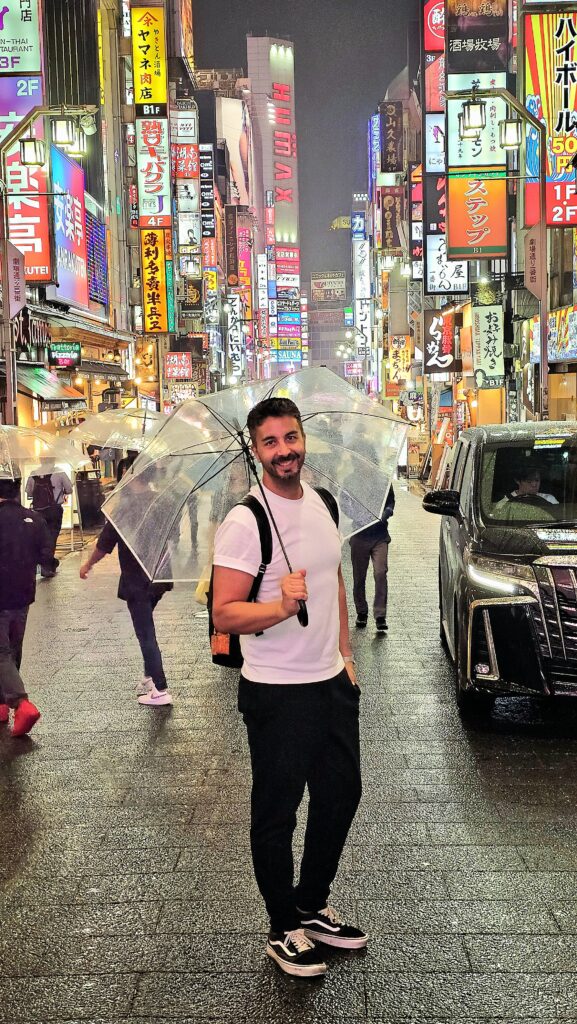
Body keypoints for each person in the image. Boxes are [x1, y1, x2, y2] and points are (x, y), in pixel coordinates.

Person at [212, 397, 366, 980]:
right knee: (277, 813)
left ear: (304, 439)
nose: (285, 450)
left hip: (330, 683)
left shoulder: (322, 502)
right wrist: (279, 606)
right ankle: (282, 927)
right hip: (277, 691)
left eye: (291, 437)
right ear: (257, 451)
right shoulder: (245, 521)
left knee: (341, 795)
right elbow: (225, 612)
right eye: (271, 442)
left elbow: (335, 581)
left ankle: (310, 904)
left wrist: (346, 654)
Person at [79, 468, 173, 706]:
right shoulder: (162, 501)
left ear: (131, 479)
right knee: (146, 625)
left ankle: (160, 689)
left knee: (145, 633)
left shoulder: (124, 507)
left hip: (137, 578)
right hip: (159, 576)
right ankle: (149, 676)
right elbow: (175, 535)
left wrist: (88, 564)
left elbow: (104, 544)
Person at [0, 477, 49, 737]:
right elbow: (47, 557)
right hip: (23, 595)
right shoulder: (35, 519)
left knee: (1, 653)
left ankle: (20, 703)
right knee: (13, 649)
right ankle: (2, 704)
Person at [349, 484, 395, 633]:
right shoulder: (352, 480)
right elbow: (344, 502)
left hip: (380, 535)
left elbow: (391, 502)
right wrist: (357, 515)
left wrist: (386, 513)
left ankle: (380, 615)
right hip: (359, 534)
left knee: (380, 573)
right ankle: (361, 612)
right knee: (359, 576)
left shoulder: (384, 481)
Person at [25, 458, 72, 577]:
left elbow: (29, 493)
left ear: (41, 461)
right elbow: (69, 489)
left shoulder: (33, 474)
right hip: (54, 510)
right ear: (54, 461)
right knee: (52, 537)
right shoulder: (59, 472)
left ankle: (47, 563)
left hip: (38, 512)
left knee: (40, 537)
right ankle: (47, 566)